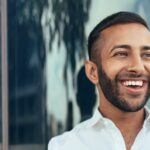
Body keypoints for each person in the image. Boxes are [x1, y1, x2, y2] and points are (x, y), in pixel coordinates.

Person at [48, 11, 150, 150]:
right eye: (121, 54)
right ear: (92, 72)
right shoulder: (65, 146)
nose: (138, 67)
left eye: (147, 55)